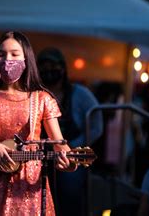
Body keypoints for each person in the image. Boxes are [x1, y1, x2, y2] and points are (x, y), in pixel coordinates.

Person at [0, 31, 78, 216]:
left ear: (26, 59)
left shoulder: (42, 99)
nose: (7, 60)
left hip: (29, 187)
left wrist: (69, 163)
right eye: (1, 54)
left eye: (14, 54)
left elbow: (59, 145)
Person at [36, 47, 102, 215]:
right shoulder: (35, 95)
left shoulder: (80, 94)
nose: (48, 70)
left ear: (63, 68)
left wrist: (77, 145)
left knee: (70, 194)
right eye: (43, 66)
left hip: (71, 154)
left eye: (52, 65)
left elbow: (97, 122)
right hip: (39, 157)